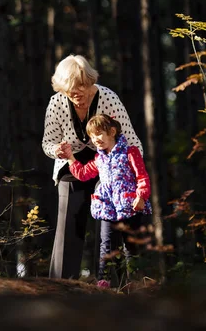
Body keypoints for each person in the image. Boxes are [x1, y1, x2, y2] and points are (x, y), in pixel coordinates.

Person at [42, 54, 143, 280]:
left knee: (110, 220)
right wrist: (56, 150)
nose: (77, 96)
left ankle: (111, 282)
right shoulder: (56, 103)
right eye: (71, 92)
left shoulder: (108, 98)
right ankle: (61, 284)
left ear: (90, 83)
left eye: (82, 89)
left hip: (107, 162)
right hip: (71, 163)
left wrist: (137, 177)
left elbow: (132, 141)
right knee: (69, 216)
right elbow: (47, 143)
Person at [61, 114, 152, 287]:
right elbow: (83, 173)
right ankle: (104, 281)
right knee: (106, 244)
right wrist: (70, 157)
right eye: (92, 136)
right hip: (107, 207)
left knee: (130, 246)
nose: (96, 139)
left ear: (112, 131)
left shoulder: (130, 152)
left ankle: (134, 281)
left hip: (130, 205)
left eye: (99, 134)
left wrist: (141, 196)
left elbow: (142, 176)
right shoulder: (99, 158)